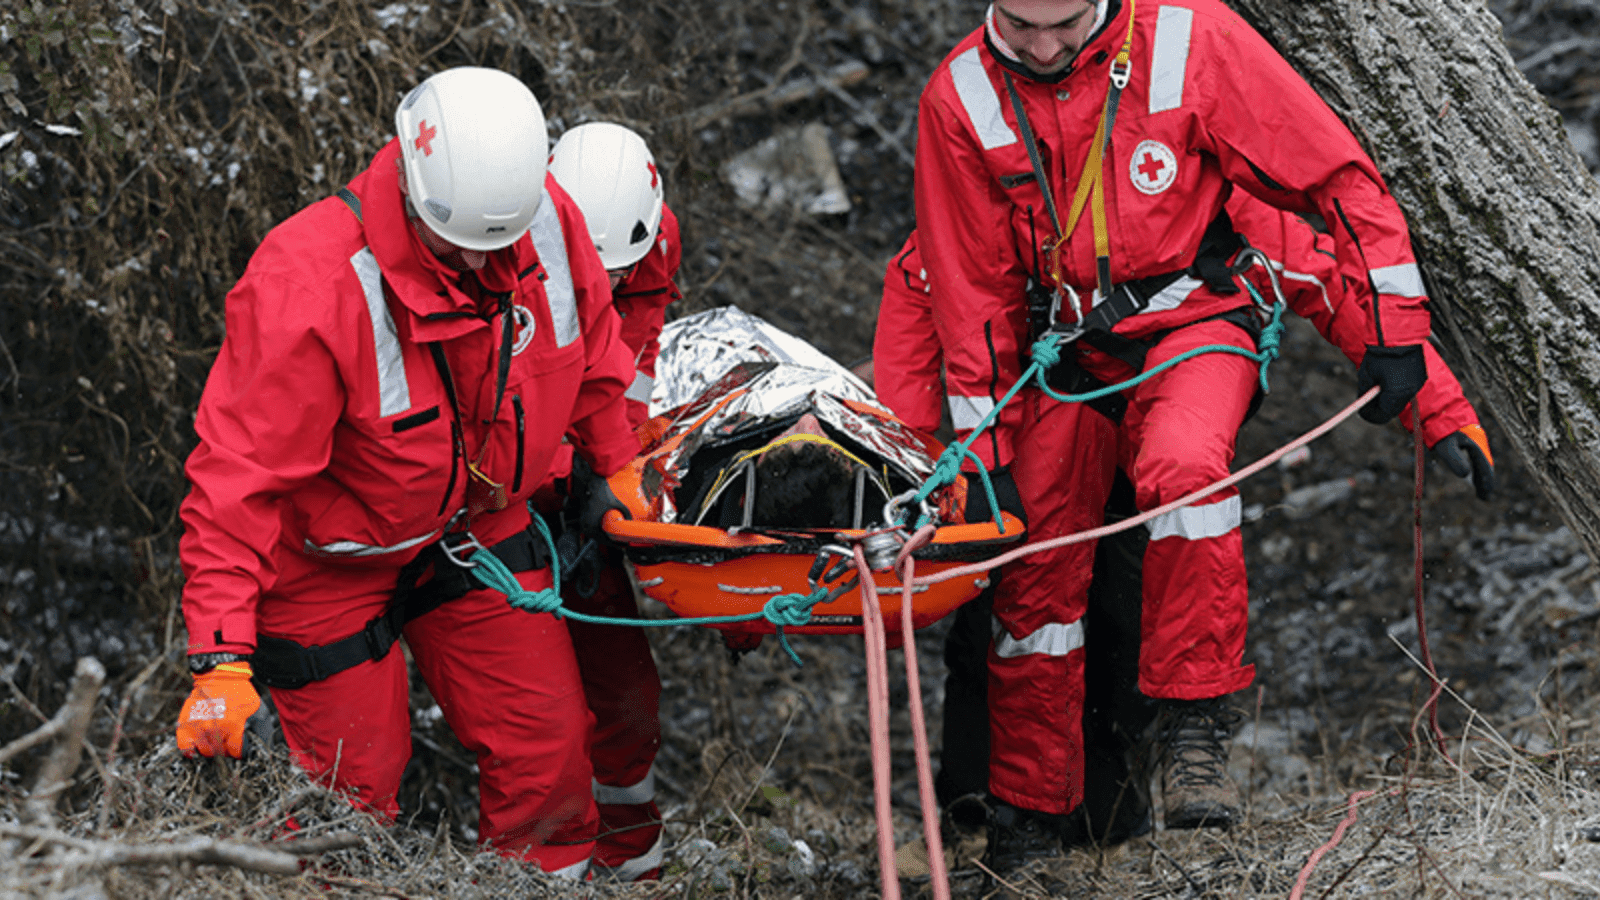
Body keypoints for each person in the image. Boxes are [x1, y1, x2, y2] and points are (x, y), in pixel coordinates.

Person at [910, 0, 1489, 865]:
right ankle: (1025, 821)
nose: (1043, 49)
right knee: (1032, 579)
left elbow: (1329, 207)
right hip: (1058, 356)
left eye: (1062, 25)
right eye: (1018, 29)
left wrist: (1427, 389)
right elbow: (966, 300)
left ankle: (1195, 730)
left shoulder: (1192, 45)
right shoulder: (959, 97)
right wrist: (975, 461)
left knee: (1183, 472)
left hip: (1195, 325)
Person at [172, 67, 640, 879]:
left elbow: (592, 350)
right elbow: (235, 481)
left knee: (550, 755)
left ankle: (546, 889)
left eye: (497, 243)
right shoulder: (308, 284)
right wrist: (219, 657)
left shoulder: (545, 220)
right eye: (456, 242)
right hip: (329, 564)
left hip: (478, 529)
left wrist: (614, 467)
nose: (479, 260)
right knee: (343, 801)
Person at [540, 121, 681, 882]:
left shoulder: (650, 240)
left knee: (625, 694)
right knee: (542, 721)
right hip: (494, 498)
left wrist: (612, 470)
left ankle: (632, 862)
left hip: (586, 479)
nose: (612, 284)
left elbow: (631, 362)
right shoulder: (505, 247)